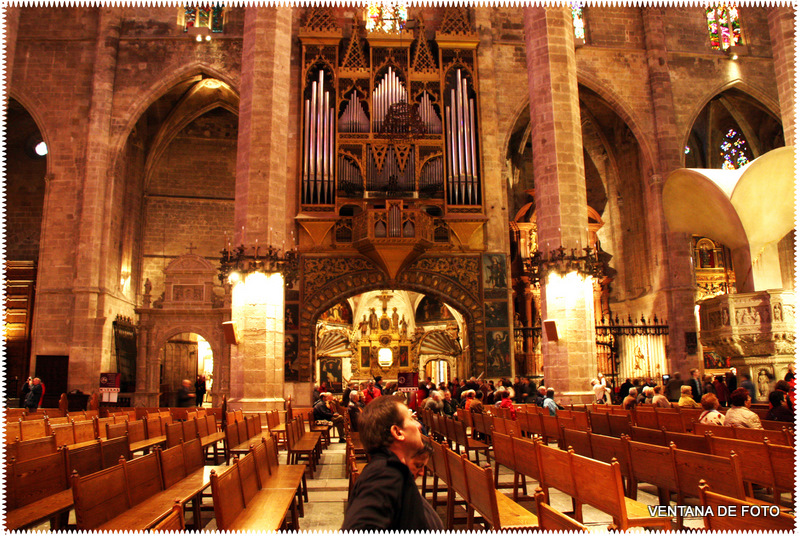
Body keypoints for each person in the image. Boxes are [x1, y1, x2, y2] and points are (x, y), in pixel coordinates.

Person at [341, 396, 440, 530]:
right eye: (411, 419)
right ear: (397, 432)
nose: (418, 425)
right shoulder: (384, 474)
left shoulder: (392, 470)